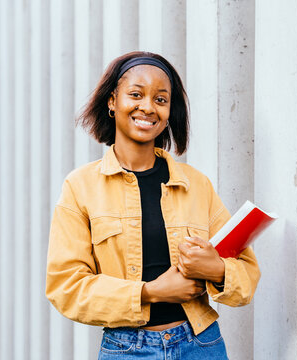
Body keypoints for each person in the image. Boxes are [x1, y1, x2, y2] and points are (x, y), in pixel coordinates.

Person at [45, 51, 260, 359]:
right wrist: (151, 292)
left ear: (170, 111)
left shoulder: (196, 185)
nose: (147, 107)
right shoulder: (80, 187)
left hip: (201, 345)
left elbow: (247, 275)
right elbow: (66, 287)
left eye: (161, 99)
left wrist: (217, 270)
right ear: (112, 101)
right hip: (126, 349)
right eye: (136, 94)